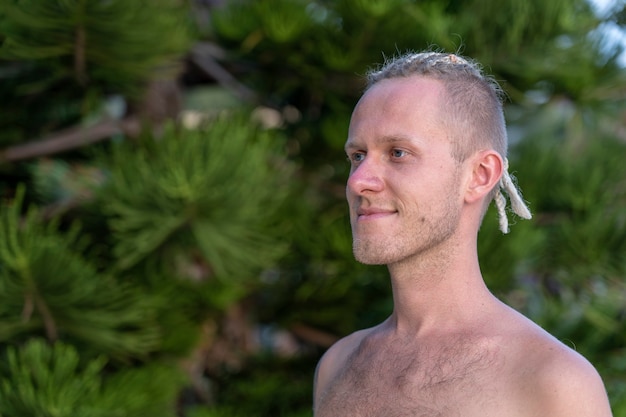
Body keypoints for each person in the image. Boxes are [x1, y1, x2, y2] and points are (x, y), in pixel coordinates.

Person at [313, 51, 613, 417]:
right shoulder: (338, 364)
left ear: (479, 176)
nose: (359, 181)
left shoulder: (553, 382)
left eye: (398, 152)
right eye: (357, 155)